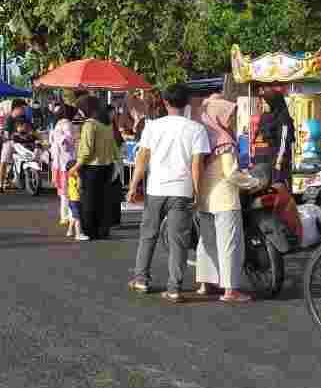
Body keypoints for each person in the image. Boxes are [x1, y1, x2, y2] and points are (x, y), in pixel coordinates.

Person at [126, 84, 210, 302]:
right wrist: (199, 194)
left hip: (156, 189)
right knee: (178, 241)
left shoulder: (153, 127)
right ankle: (174, 288)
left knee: (148, 235)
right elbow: (197, 166)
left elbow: (142, 158)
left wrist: (134, 185)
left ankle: (141, 279)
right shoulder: (197, 129)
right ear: (188, 103)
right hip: (181, 191)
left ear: (164, 102)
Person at [194, 92, 251, 303]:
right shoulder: (225, 140)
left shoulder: (204, 138)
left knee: (207, 243)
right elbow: (231, 173)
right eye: (229, 115)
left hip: (204, 199)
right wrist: (251, 182)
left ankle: (205, 283)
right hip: (225, 199)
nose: (232, 120)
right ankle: (230, 291)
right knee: (229, 244)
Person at [71, 97, 119, 241]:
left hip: (92, 167)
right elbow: (113, 146)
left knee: (89, 200)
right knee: (104, 200)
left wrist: (76, 166)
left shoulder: (90, 125)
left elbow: (87, 150)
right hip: (107, 166)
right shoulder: (107, 124)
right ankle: (103, 230)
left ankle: (90, 231)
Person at [255, 92, 295, 187]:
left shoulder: (283, 118)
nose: (263, 105)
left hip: (277, 157)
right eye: (263, 103)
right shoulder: (265, 117)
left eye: (265, 103)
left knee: (277, 184)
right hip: (264, 158)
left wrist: (279, 159)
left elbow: (284, 140)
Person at [50, 105, 79, 225]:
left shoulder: (57, 124)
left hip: (58, 161)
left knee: (63, 192)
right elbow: (68, 141)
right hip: (67, 161)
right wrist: (76, 138)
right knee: (70, 191)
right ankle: (70, 215)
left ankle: (64, 216)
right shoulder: (67, 123)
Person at [65, 160, 85, 241]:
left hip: (71, 200)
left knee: (74, 216)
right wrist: (80, 177)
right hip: (76, 200)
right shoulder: (76, 176)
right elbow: (79, 187)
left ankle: (69, 231)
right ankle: (78, 234)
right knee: (78, 218)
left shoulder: (70, 176)